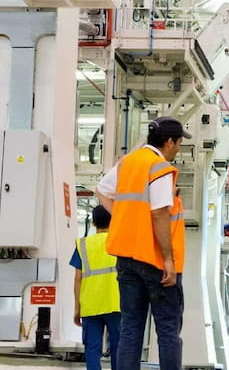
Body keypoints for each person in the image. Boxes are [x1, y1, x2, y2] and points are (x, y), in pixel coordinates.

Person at [96, 116, 190, 370]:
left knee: (131, 327)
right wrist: (168, 260)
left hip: (126, 258)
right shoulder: (158, 168)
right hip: (155, 261)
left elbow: (102, 191)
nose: (178, 148)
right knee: (168, 329)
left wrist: (124, 219)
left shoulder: (127, 162)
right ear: (169, 142)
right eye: (179, 143)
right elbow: (159, 213)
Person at [71, 205, 120, 370]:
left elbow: (77, 279)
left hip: (90, 305)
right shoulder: (119, 242)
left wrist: (77, 308)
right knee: (119, 348)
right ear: (113, 221)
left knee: (92, 348)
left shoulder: (83, 244)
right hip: (116, 303)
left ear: (93, 223)